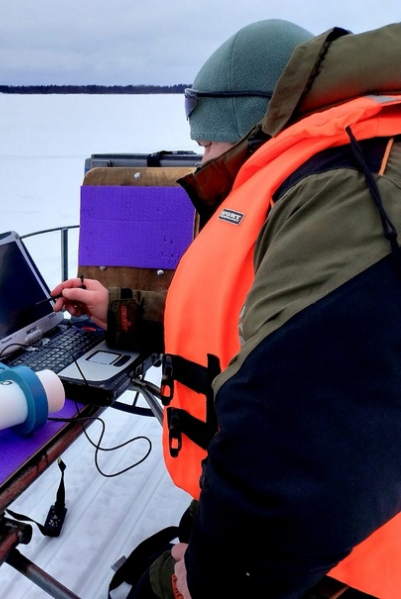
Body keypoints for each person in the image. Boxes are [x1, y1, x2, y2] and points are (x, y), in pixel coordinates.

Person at [52, 20, 401, 599]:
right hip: (317, 546)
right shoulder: (324, 171)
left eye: (206, 143)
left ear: (244, 123)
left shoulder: (355, 185)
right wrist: (120, 309)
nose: (202, 158)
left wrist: (207, 578)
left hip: (335, 565)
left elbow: (305, 447)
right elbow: (260, 314)